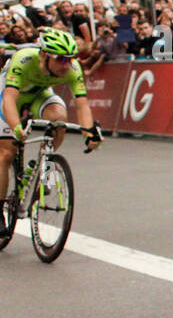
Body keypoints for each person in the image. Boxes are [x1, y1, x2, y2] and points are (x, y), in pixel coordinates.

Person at [1, 29, 102, 223]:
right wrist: (16, 127)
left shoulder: (73, 68)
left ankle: (42, 161)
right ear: (45, 55)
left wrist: (89, 134)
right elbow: (9, 98)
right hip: (8, 95)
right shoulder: (24, 59)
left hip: (39, 95)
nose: (67, 65)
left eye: (70, 59)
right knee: (6, 153)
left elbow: (81, 105)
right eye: (61, 59)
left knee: (59, 118)